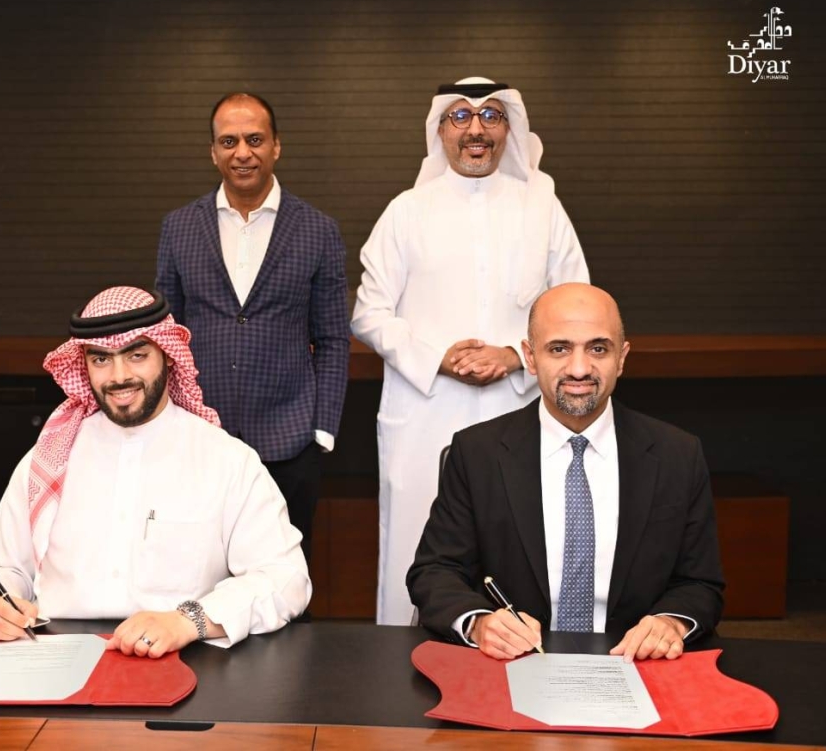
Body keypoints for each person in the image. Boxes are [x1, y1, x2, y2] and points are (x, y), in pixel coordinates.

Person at [0, 286, 311, 656]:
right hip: (55, 659)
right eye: (101, 359)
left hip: (185, 659)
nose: (119, 376)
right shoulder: (48, 459)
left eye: (137, 355)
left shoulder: (226, 460)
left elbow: (285, 578)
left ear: (168, 356)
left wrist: (187, 621)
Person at [351, 77, 590, 624]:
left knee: (518, 542)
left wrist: (515, 356)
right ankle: (400, 666)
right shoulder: (407, 211)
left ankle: (523, 657)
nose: (476, 129)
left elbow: (578, 307)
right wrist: (440, 357)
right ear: (440, 130)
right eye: (460, 116)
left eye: (491, 116)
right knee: (414, 544)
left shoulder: (543, 209)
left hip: (517, 408)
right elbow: (368, 313)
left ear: (509, 129)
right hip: (426, 413)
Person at [407, 283, 725, 661]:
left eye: (598, 349)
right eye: (559, 349)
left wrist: (670, 622)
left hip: (637, 664)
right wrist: (479, 622)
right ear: (530, 357)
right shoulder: (477, 453)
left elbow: (700, 583)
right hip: (514, 664)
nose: (579, 369)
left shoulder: (678, 454)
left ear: (621, 358)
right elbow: (435, 571)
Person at [156, 93, 349, 565]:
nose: (242, 152)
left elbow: (332, 339)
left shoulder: (318, 230)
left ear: (276, 146)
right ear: (213, 152)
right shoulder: (179, 227)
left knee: (286, 575)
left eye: (255, 140)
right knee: (197, 570)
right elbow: (165, 334)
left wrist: (322, 429)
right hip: (201, 436)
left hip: (291, 443)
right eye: (229, 142)